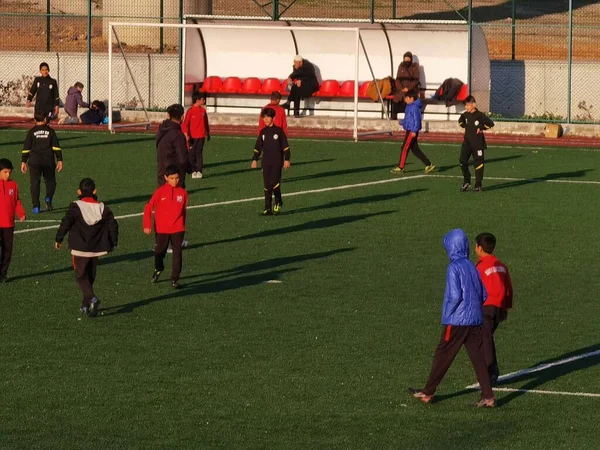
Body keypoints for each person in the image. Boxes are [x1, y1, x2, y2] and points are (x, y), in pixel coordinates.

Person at [409, 228, 496, 408]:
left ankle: (428, 392)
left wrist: (447, 314)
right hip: (475, 320)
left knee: (443, 355)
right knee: (479, 359)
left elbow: (455, 296)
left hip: (457, 321)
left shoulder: (453, 267)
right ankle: (488, 397)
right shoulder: (472, 265)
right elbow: (484, 294)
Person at [54, 178, 119, 317]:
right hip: (96, 249)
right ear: (95, 191)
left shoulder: (75, 206)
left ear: (79, 191)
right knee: (90, 276)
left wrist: (59, 238)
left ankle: (92, 297)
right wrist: (113, 242)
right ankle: (85, 304)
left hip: (79, 248)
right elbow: (113, 224)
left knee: (80, 277)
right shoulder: (103, 207)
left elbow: (66, 222)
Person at [475, 232, 513, 384]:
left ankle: (491, 370)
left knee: (485, 337)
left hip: (486, 307)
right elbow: (508, 287)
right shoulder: (501, 266)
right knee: (484, 336)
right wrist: (506, 308)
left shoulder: (480, 266)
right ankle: (487, 370)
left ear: (479, 247)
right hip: (499, 307)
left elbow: (475, 288)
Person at [143, 164, 188, 290]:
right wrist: (147, 225)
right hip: (162, 229)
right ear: (166, 177)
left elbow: (184, 211)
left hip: (178, 229)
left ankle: (175, 279)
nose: (175, 181)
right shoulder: (160, 192)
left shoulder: (183, 193)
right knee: (159, 252)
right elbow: (148, 207)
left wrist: (182, 226)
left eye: (177, 178)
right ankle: (159, 268)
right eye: (172, 178)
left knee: (177, 253)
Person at [21, 109, 63, 213]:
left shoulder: (31, 132)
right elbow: (56, 147)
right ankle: (48, 198)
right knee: (51, 182)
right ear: (45, 119)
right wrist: (60, 159)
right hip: (48, 161)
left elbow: (26, 148)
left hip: (34, 162)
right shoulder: (51, 132)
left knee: (34, 183)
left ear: (35, 119)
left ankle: (36, 206)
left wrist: (23, 161)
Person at [251, 108, 291, 216]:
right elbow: (258, 147)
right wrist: (255, 159)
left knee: (275, 184)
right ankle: (267, 208)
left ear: (273, 118)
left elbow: (285, 147)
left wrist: (287, 159)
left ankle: (278, 201)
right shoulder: (263, 132)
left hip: (277, 162)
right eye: (264, 117)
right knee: (267, 185)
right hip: (266, 162)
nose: (266, 119)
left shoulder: (279, 131)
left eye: (268, 117)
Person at [391, 90, 435, 174]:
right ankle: (428, 164)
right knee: (415, 150)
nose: (405, 100)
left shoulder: (414, 107)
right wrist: (402, 122)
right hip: (410, 129)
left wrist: (414, 130)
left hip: (412, 131)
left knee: (404, 148)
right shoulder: (409, 106)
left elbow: (417, 120)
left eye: (406, 98)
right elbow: (409, 119)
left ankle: (401, 167)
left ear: (411, 98)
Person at [458, 95, 495, 192]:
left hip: (478, 143)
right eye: (465, 105)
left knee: (478, 163)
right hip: (467, 142)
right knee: (462, 160)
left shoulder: (480, 115)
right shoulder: (465, 115)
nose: (466, 107)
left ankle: (478, 185)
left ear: (474, 104)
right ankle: (467, 180)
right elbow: (460, 121)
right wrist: (464, 126)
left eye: (468, 105)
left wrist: (481, 128)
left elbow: (491, 123)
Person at [0, 158, 26, 283]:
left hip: (9, 224)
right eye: (5, 172)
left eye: (9, 172)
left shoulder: (13, 185)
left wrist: (21, 213)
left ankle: (3, 274)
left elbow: (16, 201)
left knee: (7, 250)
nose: (8, 175)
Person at [156, 104, 191, 188]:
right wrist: (189, 167)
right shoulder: (177, 135)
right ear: (182, 117)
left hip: (162, 173)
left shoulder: (161, 130)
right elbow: (182, 158)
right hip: (174, 176)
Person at [181, 91, 210, 179]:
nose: (204, 101)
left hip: (201, 136)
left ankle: (199, 171)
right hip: (192, 137)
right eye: (202, 99)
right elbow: (185, 124)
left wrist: (208, 133)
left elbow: (206, 123)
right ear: (197, 100)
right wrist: (186, 135)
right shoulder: (190, 111)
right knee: (191, 155)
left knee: (199, 153)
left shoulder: (203, 111)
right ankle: (194, 170)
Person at [392, 51, 421, 120]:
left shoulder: (415, 66)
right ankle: (394, 115)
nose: (407, 61)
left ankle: (409, 116)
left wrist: (408, 88)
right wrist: (401, 88)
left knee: (410, 96)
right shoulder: (401, 66)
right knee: (397, 96)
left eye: (408, 59)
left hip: (411, 88)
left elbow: (416, 80)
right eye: (405, 59)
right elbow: (397, 79)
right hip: (401, 88)